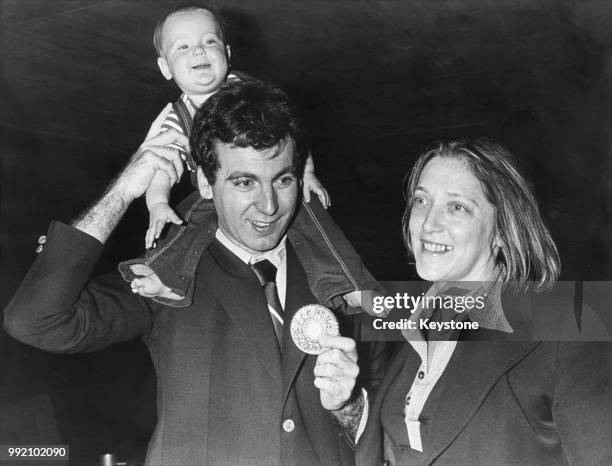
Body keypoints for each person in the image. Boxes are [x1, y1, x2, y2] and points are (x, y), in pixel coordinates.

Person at [4, 78, 366, 465]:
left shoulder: (337, 276)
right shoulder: (164, 276)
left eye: (283, 179)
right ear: (207, 185)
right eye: (245, 182)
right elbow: (35, 321)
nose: (269, 205)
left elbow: (393, 419)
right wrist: (124, 190)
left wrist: (347, 405)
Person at [354, 138, 612, 465]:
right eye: (421, 200)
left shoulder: (565, 329)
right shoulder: (414, 325)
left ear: (502, 230)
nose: (429, 224)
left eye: (456, 206)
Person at [118, 5, 378, 311]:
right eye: (184, 46)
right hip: (214, 185)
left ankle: (350, 284)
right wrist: (158, 204)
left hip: (273, 167)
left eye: (209, 42)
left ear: (227, 53)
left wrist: (306, 172)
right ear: (165, 67)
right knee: (184, 223)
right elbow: (161, 169)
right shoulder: (174, 120)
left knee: (311, 213)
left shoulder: (248, 90)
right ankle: (168, 275)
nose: (199, 51)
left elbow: (289, 134)